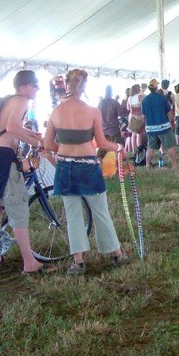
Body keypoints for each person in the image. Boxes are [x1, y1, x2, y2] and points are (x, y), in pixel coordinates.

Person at [43, 70, 130, 275]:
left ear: (66, 84)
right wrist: (118, 147)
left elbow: (48, 145)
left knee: (73, 214)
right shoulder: (92, 111)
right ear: (84, 86)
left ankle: (78, 261)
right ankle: (116, 253)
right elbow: (101, 143)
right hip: (88, 166)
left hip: (65, 167)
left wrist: (65, 148)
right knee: (100, 210)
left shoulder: (56, 111)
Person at [0, 70, 45, 273]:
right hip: (3, 158)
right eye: (34, 84)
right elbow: (11, 127)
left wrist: (30, 133)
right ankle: (29, 262)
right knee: (18, 205)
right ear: (22, 87)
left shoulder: (10, 101)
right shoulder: (20, 100)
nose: (37, 88)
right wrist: (36, 142)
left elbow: (8, 127)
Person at [141, 79, 178, 168]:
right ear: (157, 87)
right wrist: (172, 122)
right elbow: (169, 113)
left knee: (150, 147)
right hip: (164, 127)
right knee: (170, 146)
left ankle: (147, 165)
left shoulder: (145, 100)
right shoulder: (162, 98)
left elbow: (143, 116)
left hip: (150, 128)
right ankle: (174, 165)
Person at [127, 84, 145, 151]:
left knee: (133, 135)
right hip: (139, 117)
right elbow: (144, 105)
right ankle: (139, 149)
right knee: (139, 134)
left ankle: (134, 150)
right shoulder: (140, 96)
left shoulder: (130, 98)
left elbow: (128, 108)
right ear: (138, 89)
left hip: (131, 117)